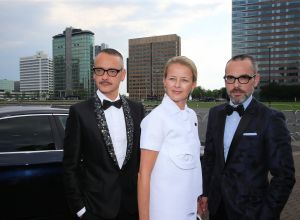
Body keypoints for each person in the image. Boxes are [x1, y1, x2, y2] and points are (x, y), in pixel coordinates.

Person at [200, 54, 295, 220]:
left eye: (243, 78)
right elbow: (210, 158)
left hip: (252, 212)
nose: (236, 85)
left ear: (256, 80)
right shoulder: (215, 114)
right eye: (230, 78)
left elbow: (284, 176)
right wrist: (205, 193)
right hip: (217, 209)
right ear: (225, 81)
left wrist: (266, 215)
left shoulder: (271, 119)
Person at [63, 48, 145, 220]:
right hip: (95, 209)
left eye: (112, 71)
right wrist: (80, 210)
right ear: (93, 74)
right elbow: (70, 166)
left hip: (132, 207)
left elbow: (142, 160)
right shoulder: (79, 112)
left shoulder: (138, 110)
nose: (105, 77)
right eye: (99, 70)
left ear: (123, 74)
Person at [138, 56, 202, 220]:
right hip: (164, 211)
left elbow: (193, 163)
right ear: (164, 81)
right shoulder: (156, 119)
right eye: (172, 78)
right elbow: (144, 174)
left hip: (189, 210)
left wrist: (198, 198)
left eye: (184, 80)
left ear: (193, 85)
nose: (177, 85)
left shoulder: (192, 116)